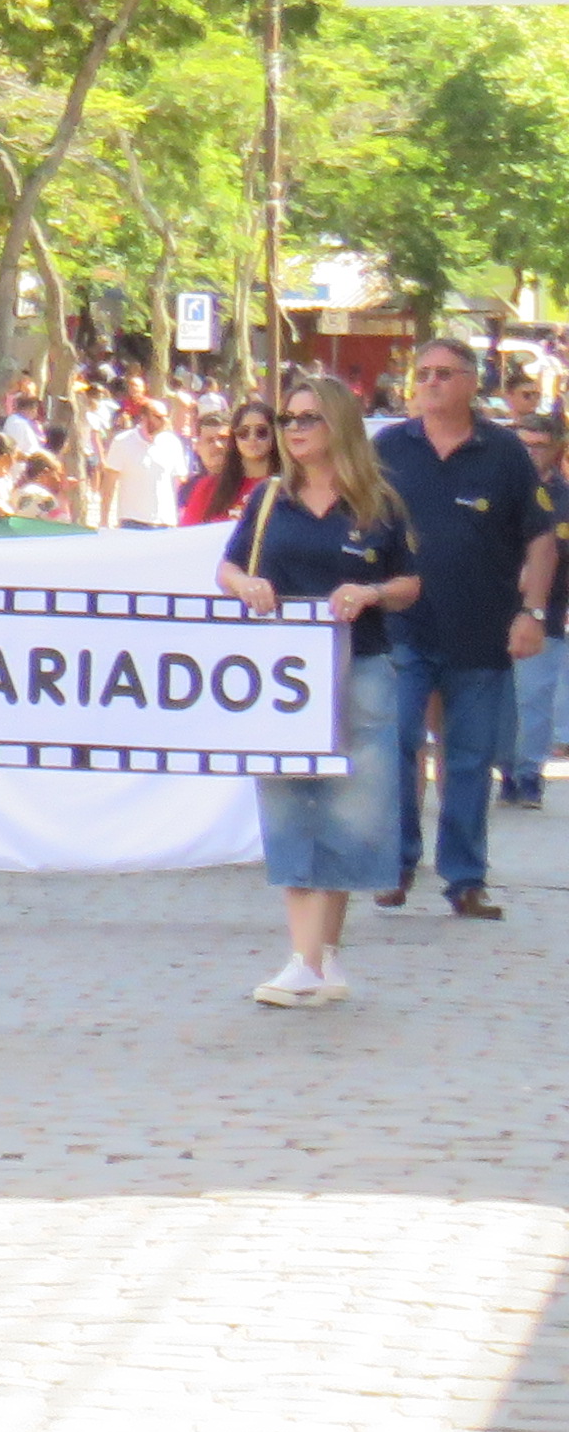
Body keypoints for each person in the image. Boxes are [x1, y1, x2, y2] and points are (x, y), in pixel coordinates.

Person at [225, 374, 417, 1008]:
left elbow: (410, 583)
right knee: (290, 802)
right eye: (288, 419)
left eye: (307, 418)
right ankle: (304, 959)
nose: (294, 430)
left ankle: (321, 955)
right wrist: (246, 586)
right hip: (282, 676)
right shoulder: (268, 499)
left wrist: (370, 592)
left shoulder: (378, 502)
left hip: (359, 665)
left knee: (349, 806)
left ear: (339, 425)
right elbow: (229, 565)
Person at [369, 338, 554, 917]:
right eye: (423, 373)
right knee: (396, 743)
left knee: (470, 759)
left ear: (473, 382)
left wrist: (533, 613)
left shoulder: (503, 451)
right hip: (402, 630)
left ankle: (466, 878)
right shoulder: (389, 447)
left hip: (481, 633)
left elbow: (541, 538)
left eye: (445, 373)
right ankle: (396, 862)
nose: (431, 383)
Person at [520, 413, 569, 810]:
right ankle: (507, 765)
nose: (531, 452)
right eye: (524, 444)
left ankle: (528, 774)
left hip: (547, 612)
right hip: (492, 609)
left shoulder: (565, 498)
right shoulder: (500, 488)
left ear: (557, 449)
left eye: (539, 445)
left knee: (535, 697)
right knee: (501, 698)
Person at [103, 394, 190, 531]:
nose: (164, 421)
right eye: (158, 417)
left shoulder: (172, 443)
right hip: (132, 522)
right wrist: (104, 520)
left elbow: (178, 482)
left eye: (165, 417)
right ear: (143, 417)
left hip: (165, 522)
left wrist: (179, 517)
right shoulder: (122, 442)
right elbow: (109, 483)